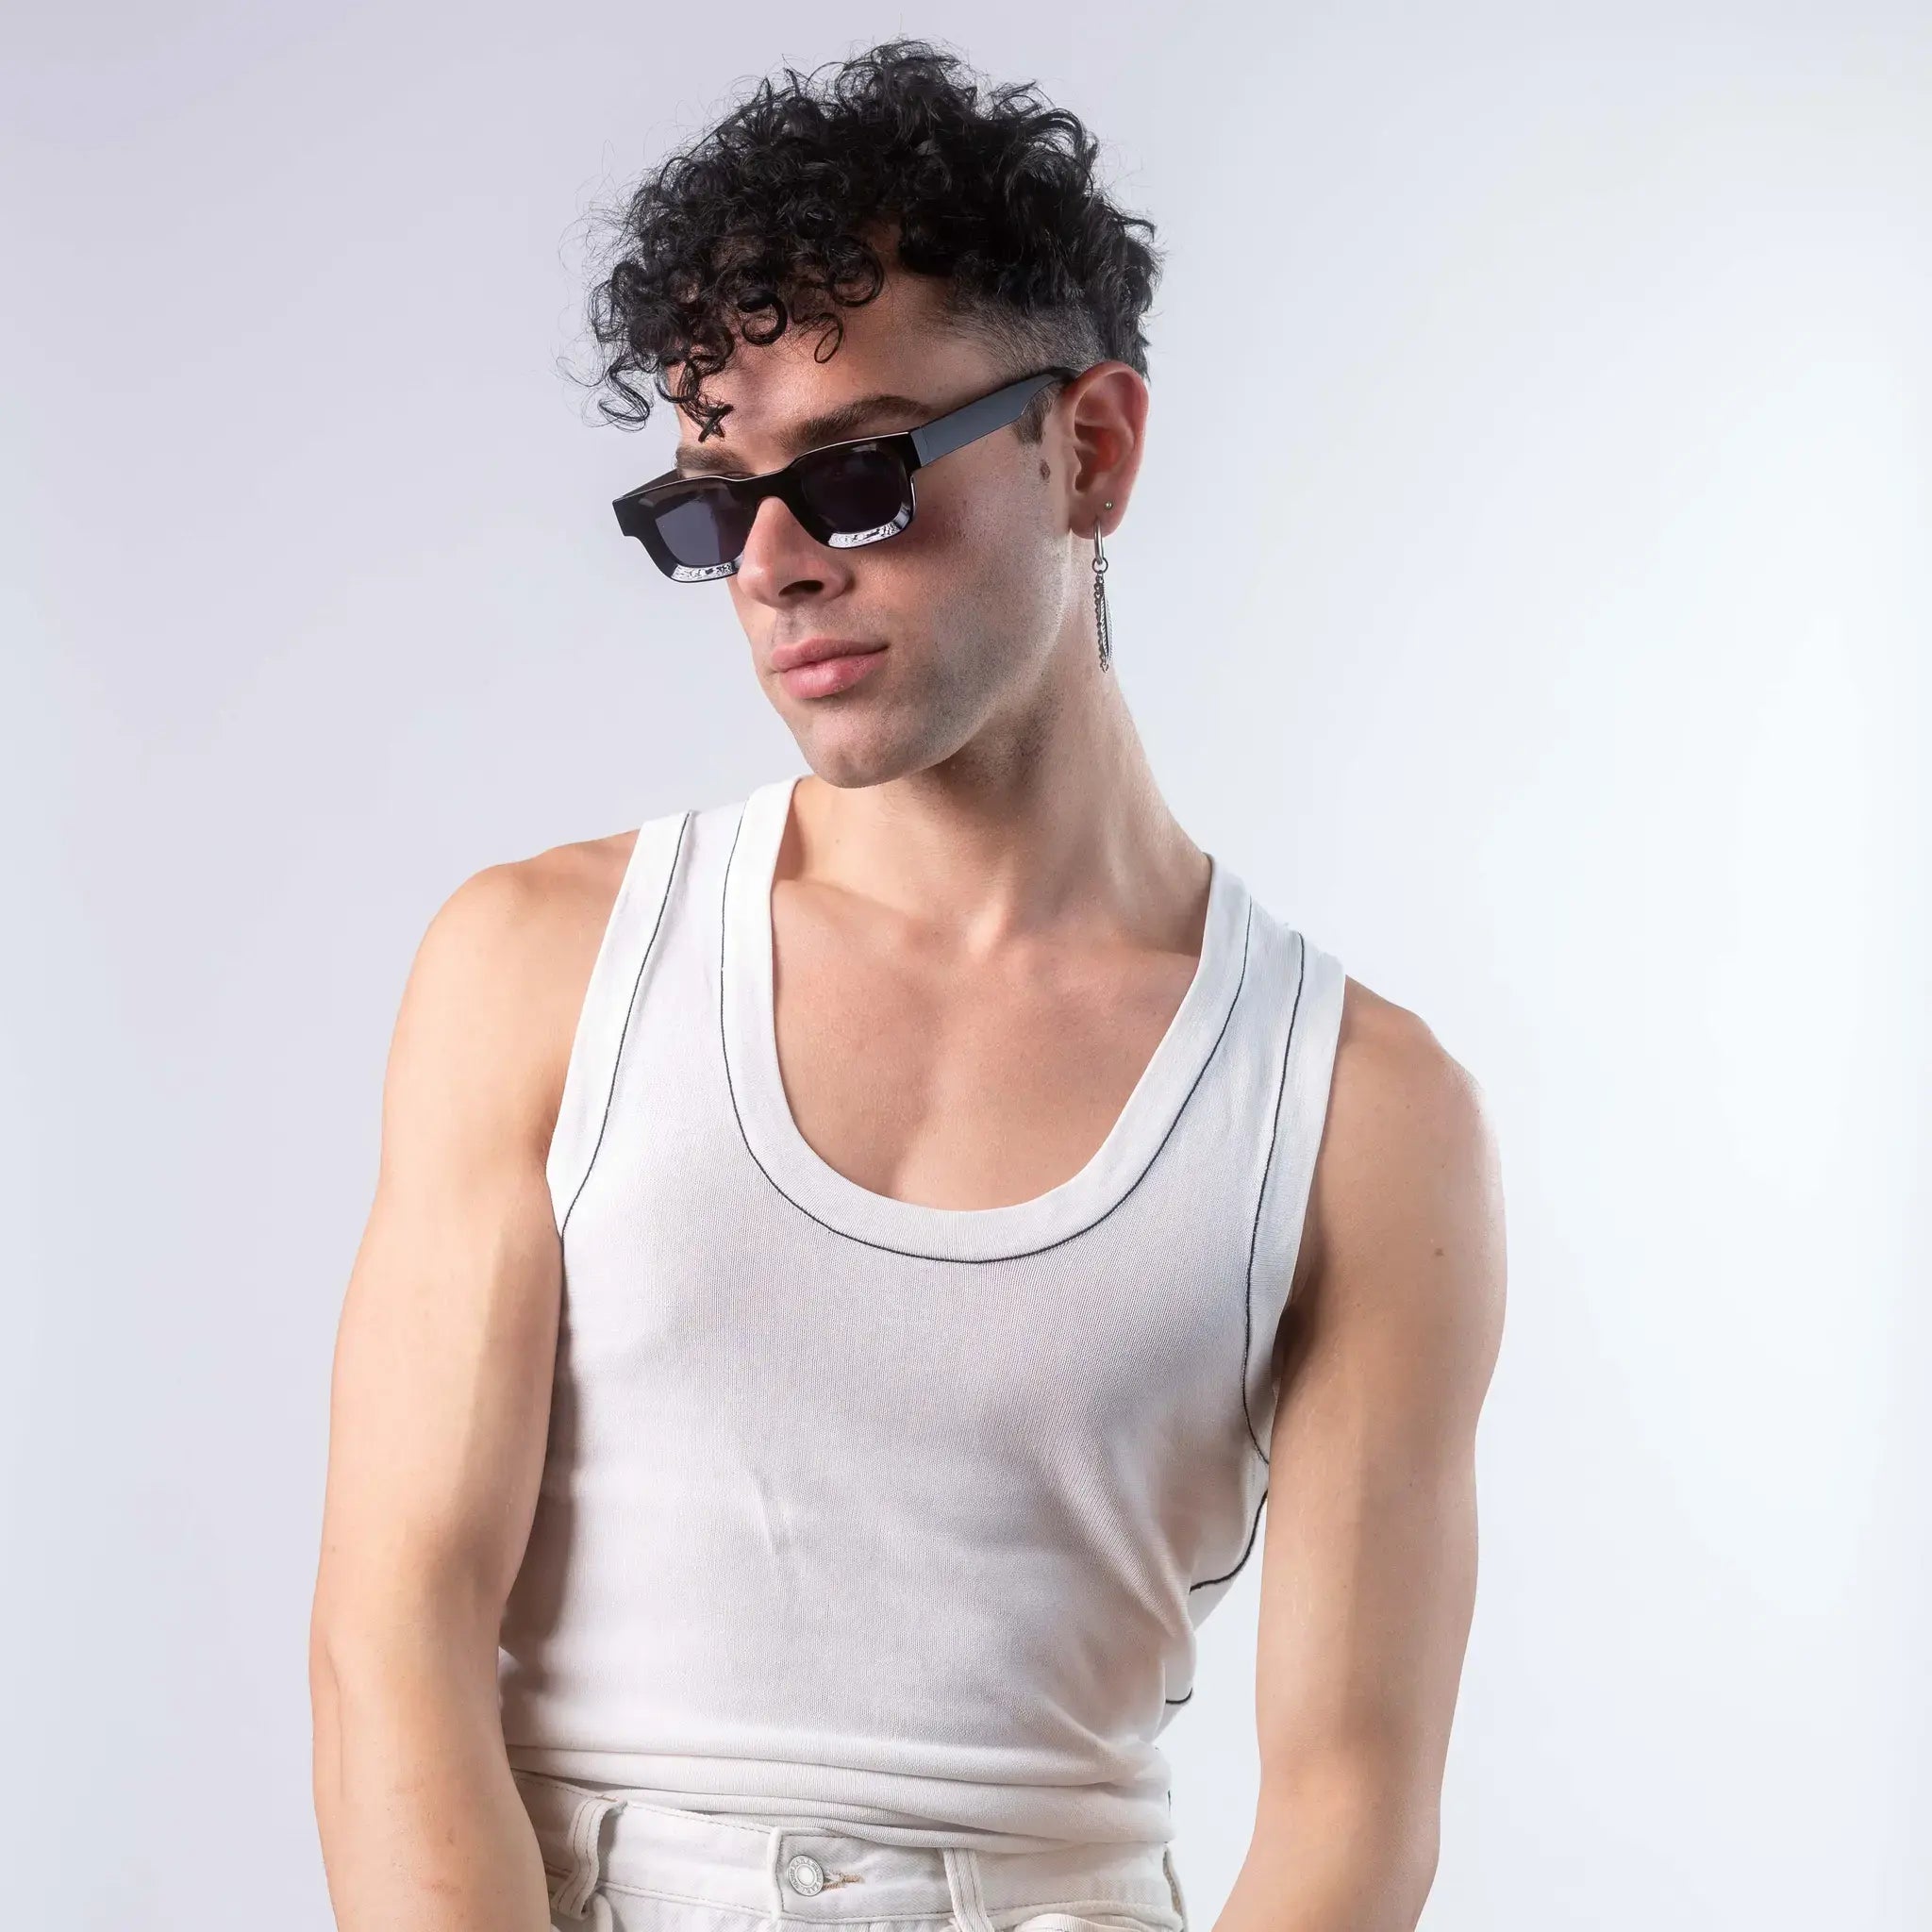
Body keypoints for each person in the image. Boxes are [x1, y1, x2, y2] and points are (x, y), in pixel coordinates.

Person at [308, 36, 1506, 1932]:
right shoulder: (539, 967)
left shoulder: (1359, 1113)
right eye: (710, 503)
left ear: (1088, 446)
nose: (773, 567)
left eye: (856, 475)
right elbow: (396, 1635)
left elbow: (1354, 1805)